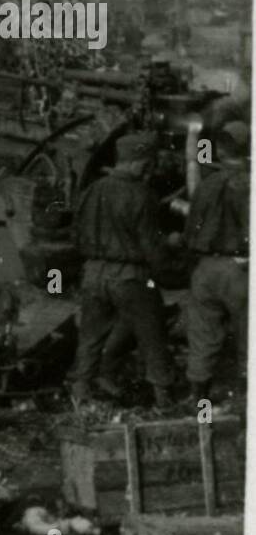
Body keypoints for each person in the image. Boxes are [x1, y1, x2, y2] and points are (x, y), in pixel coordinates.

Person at [69, 132, 174, 408]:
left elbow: (75, 236)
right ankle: (164, 399)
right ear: (141, 163)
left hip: (93, 275)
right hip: (130, 277)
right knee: (153, 332)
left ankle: (80, 395)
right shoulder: (142, 195)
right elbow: (152, 248)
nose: (151, 169)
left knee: (90, 338)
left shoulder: (92, 189)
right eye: (149, 163)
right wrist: (173, 274)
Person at [183, 121, 250, 407]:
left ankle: (199, 401)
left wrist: (193, 133)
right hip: (240, 270)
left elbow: (193, 176)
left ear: (220, 149)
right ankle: (246, 401)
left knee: (203, 336)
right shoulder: (248, 183)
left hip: (205, 270)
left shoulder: (207, 184)